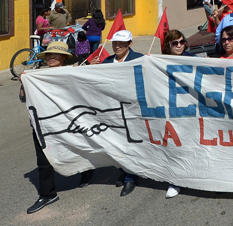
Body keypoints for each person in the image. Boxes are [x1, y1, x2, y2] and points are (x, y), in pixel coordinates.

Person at [22, 41, 93, 214]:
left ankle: (86, 170)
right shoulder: (35, 76)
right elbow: (23, 98)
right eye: (49, 54)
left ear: (64, 58)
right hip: (43, 125)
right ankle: (48, 194)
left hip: (68, 122)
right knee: (44, 161)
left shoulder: (71, 73)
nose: (51, 57)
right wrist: (24, 83)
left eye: (56, 54)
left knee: (78, 147)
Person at [90, 30, 144, 195]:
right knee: (117, 143)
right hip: (112, 109)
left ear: (130, 44)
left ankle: (131, 177)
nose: (117, 46)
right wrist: (92, 69)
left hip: (132, 109)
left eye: (122, 43)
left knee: (131, 143)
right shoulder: (107, 61)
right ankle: (124, 169)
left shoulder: (139, 58)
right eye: (115, 43)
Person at [161, 30, 195, 199]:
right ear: (168, 45)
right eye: (175, 43)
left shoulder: (192, 58)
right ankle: (176, 181)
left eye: (182, 42)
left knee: (194, 142)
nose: (179, 45)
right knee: (175, 146)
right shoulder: (159, 62)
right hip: (171, 110)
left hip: (192, 108)